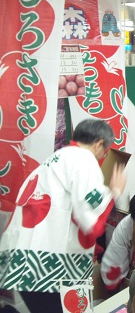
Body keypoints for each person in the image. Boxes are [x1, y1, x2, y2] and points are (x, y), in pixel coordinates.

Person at [0, 119, 126, 312]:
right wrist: (114, 192)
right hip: (47, 266)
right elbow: (90, 216)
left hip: (24, 258)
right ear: (99, 144)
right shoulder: (83, 159)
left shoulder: (55, 159)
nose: (103, 156)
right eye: (105, 152)